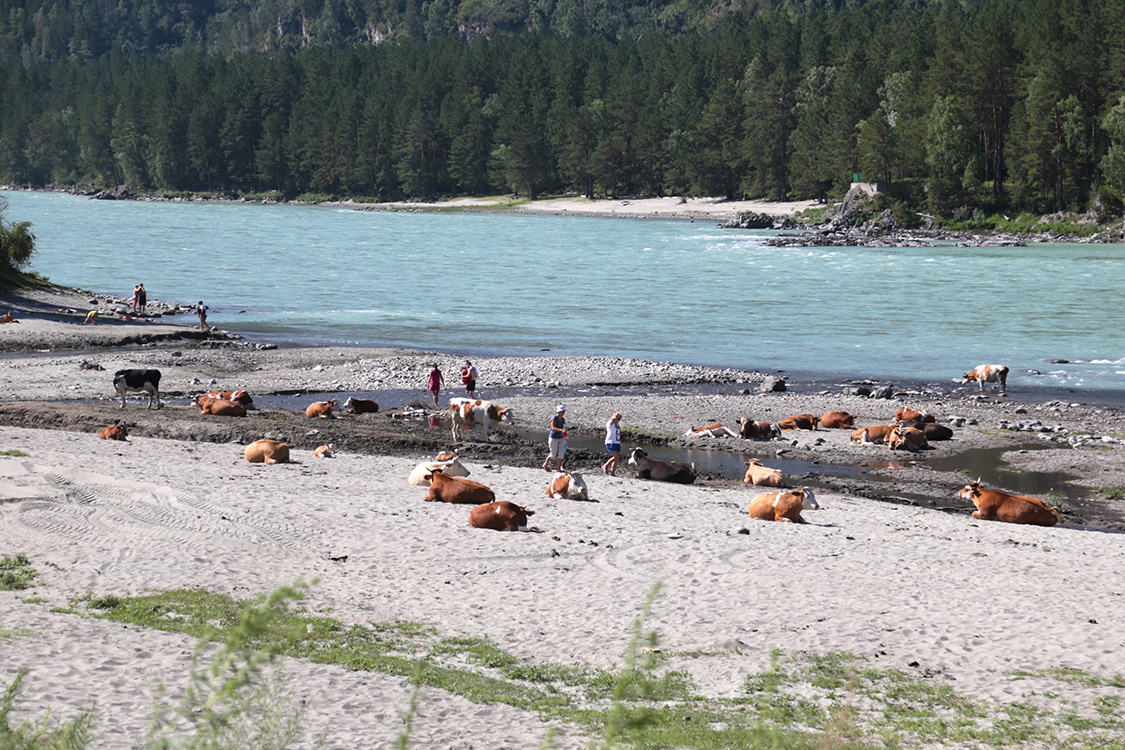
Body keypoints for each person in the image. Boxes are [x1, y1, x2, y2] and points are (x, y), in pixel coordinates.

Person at [542, 405, 567, 472]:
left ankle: (558, 469)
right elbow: (553, 428)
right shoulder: (554, 418)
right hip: (553, 438)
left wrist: (564, 435)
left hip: (561, 438)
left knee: (561, 454)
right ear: (558, 412)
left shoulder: (563, 419)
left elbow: (561, 428)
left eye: (564, 411)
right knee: (553, 454)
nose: (563, 413)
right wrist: (561, 430)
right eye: (562, 411)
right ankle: (545, 465)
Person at [602, 411, 623, 476]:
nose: (618, 420)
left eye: (619, 419)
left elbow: (618, 433)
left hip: (617, 442)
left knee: (617, 458)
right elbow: (612, 419)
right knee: (616, 456)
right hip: (610, 442)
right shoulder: (610, 423)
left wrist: (625, 433)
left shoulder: (617, 425)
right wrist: (615, 417)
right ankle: (605, 466)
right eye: (618, 419)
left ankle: (613, 472)